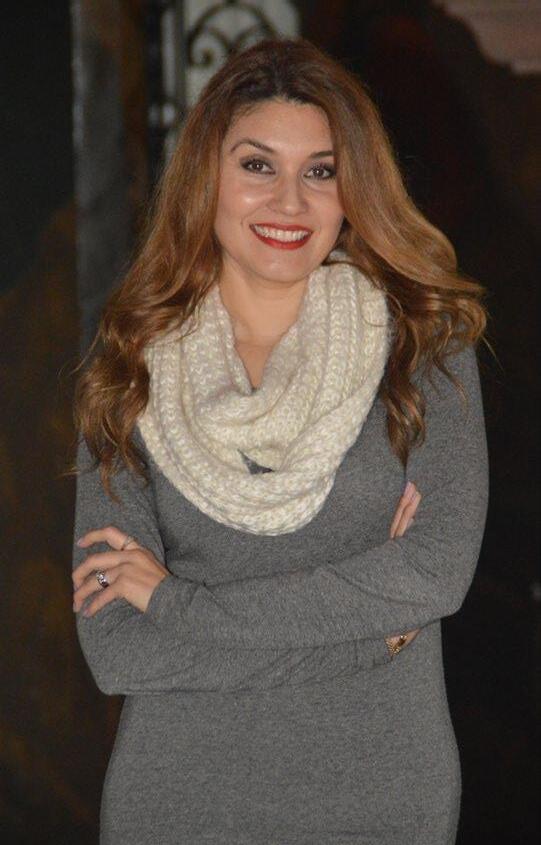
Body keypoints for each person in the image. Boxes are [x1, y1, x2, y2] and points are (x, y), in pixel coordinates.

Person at [70, 36, 490, 845]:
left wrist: (178, 604)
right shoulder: (128, 364)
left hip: (378, 796)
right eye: (257, 165)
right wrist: (371, 633)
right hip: (178, 800)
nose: (288, 201)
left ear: (351, 189)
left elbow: (433, 571)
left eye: (320, 171)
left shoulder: (423, 344)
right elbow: (121, 651)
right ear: (206, 176)